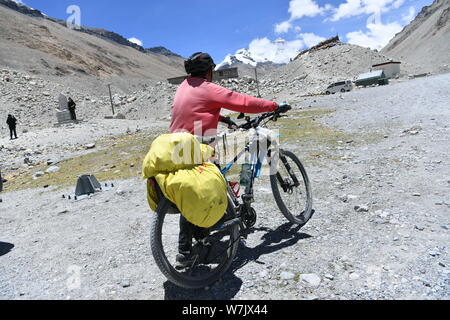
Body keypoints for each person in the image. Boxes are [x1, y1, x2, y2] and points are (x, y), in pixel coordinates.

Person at [169, 52, 285, 268]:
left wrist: (221, 118)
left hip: (175, 144)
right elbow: (241, 101)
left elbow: (192, 108)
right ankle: (187, 249)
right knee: (205, 189)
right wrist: (273, 105)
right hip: (197, 144)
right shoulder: (208, 87)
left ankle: (198, 238)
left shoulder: (184, 86)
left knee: (192, 191)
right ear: (210, 71)